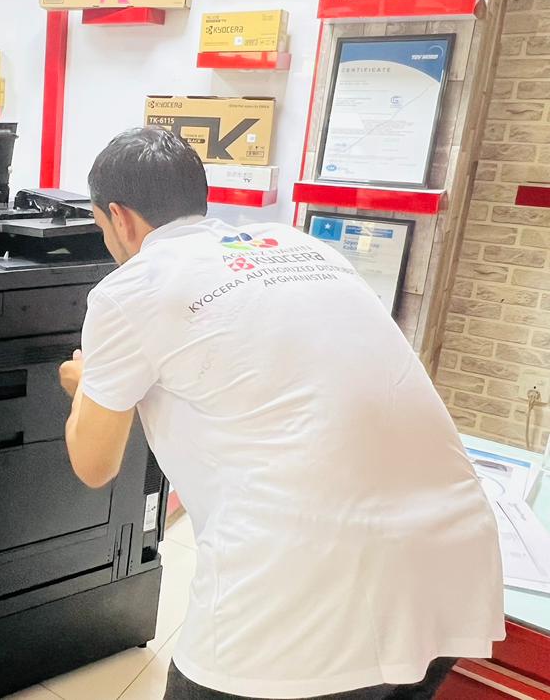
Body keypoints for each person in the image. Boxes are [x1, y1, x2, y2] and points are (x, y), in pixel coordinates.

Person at [58, 127, 504, 700]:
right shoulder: (302, 247)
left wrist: (85, 383)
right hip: (451, 573)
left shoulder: (129, 289)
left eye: (100, 228)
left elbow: (94, 465)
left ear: (118, 217)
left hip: (296, 606)